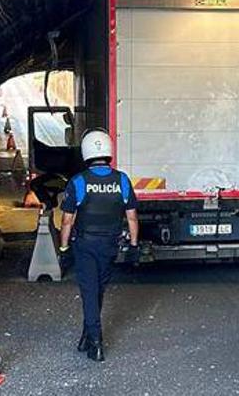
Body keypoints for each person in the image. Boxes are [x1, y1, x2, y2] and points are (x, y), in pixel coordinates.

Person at [59, 129, 138, 362]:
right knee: (98, 290)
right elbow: (132, 217)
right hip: (110, 245)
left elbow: (67, 220)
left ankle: (96, 342)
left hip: (85, 245)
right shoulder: (122, 180)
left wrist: (63, 248)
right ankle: (86, 334)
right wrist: (133, 245)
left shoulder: (79, 181)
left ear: (86, 152)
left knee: (89, 292)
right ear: (108, 152)